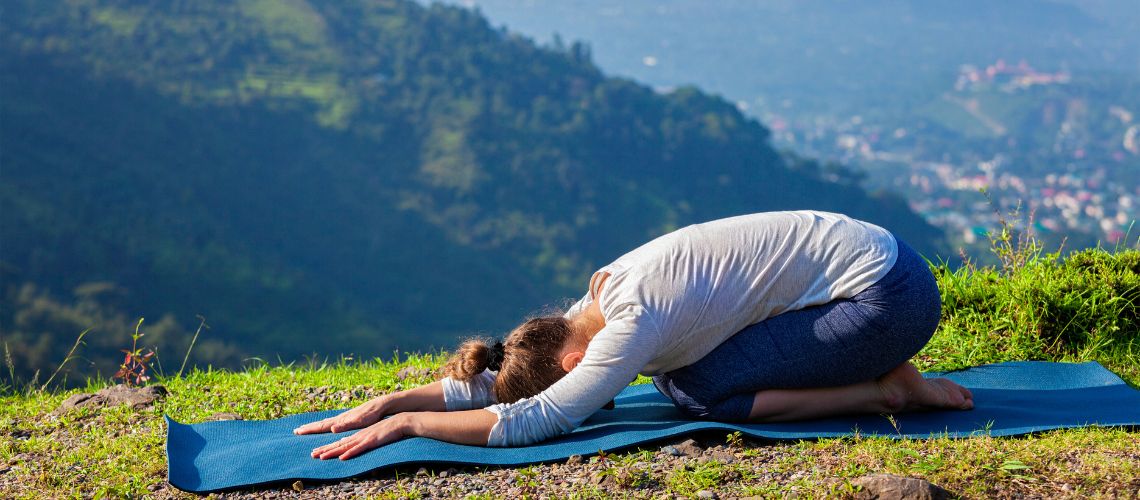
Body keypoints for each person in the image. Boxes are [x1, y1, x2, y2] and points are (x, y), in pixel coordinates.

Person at [295, 211, 974, 460]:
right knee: (683, 375)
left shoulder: (632, 322)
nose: (605, 392)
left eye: (595, 384)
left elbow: (533, 419)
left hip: (887, 300)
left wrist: (409, 427)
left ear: (579, 360)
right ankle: (883, 376)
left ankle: (888, 386)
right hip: (876, 260)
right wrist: (389, 401)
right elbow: (503, 373)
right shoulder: (594, 296)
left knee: (701, 391)